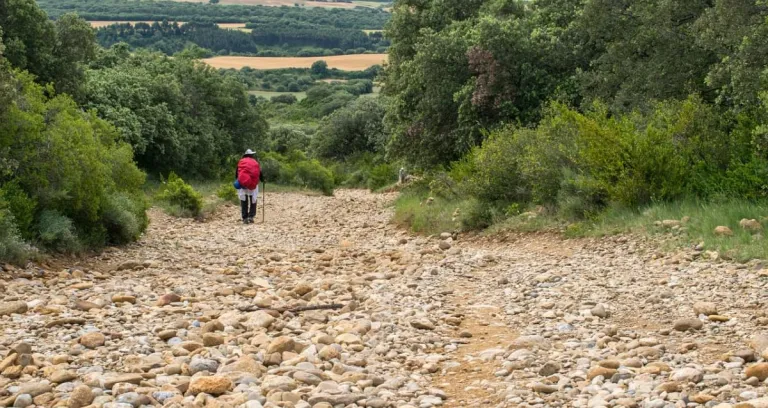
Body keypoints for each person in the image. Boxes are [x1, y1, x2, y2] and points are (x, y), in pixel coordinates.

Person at [236, 149, 264, 224]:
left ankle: (245, 217)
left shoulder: (241, 161)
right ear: (251, 155)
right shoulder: (255, 162)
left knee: (244, 200)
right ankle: (251, 216)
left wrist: (239, 181)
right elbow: (259, 172)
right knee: (253, 199)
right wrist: (263, 179)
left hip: (243, 184)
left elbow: (237, 173)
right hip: (253, 184)